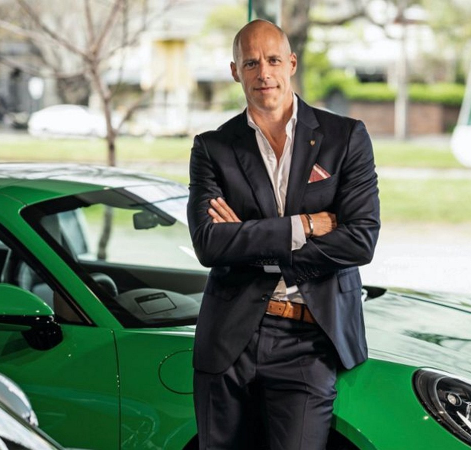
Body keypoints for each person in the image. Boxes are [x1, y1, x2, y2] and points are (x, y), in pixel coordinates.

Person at [187, 19, 380, 450]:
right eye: (250, 63)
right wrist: (303, 226)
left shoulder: (345, 137)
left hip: (309, 339)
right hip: (229, 338)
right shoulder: (213, 147)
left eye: (273, 60)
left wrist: (247, 239)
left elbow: (360, 239)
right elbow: (209, 244)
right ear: (235, 71)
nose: (264, 73)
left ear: (291, 63)